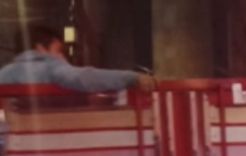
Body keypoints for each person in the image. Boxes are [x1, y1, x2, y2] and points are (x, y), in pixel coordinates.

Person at [0, 25, 154, 92]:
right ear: (40, 48)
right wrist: (131, 77)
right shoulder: (49, 67)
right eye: (58, 50)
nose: (61, 55)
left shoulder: (5, 73)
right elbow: (84, 78)